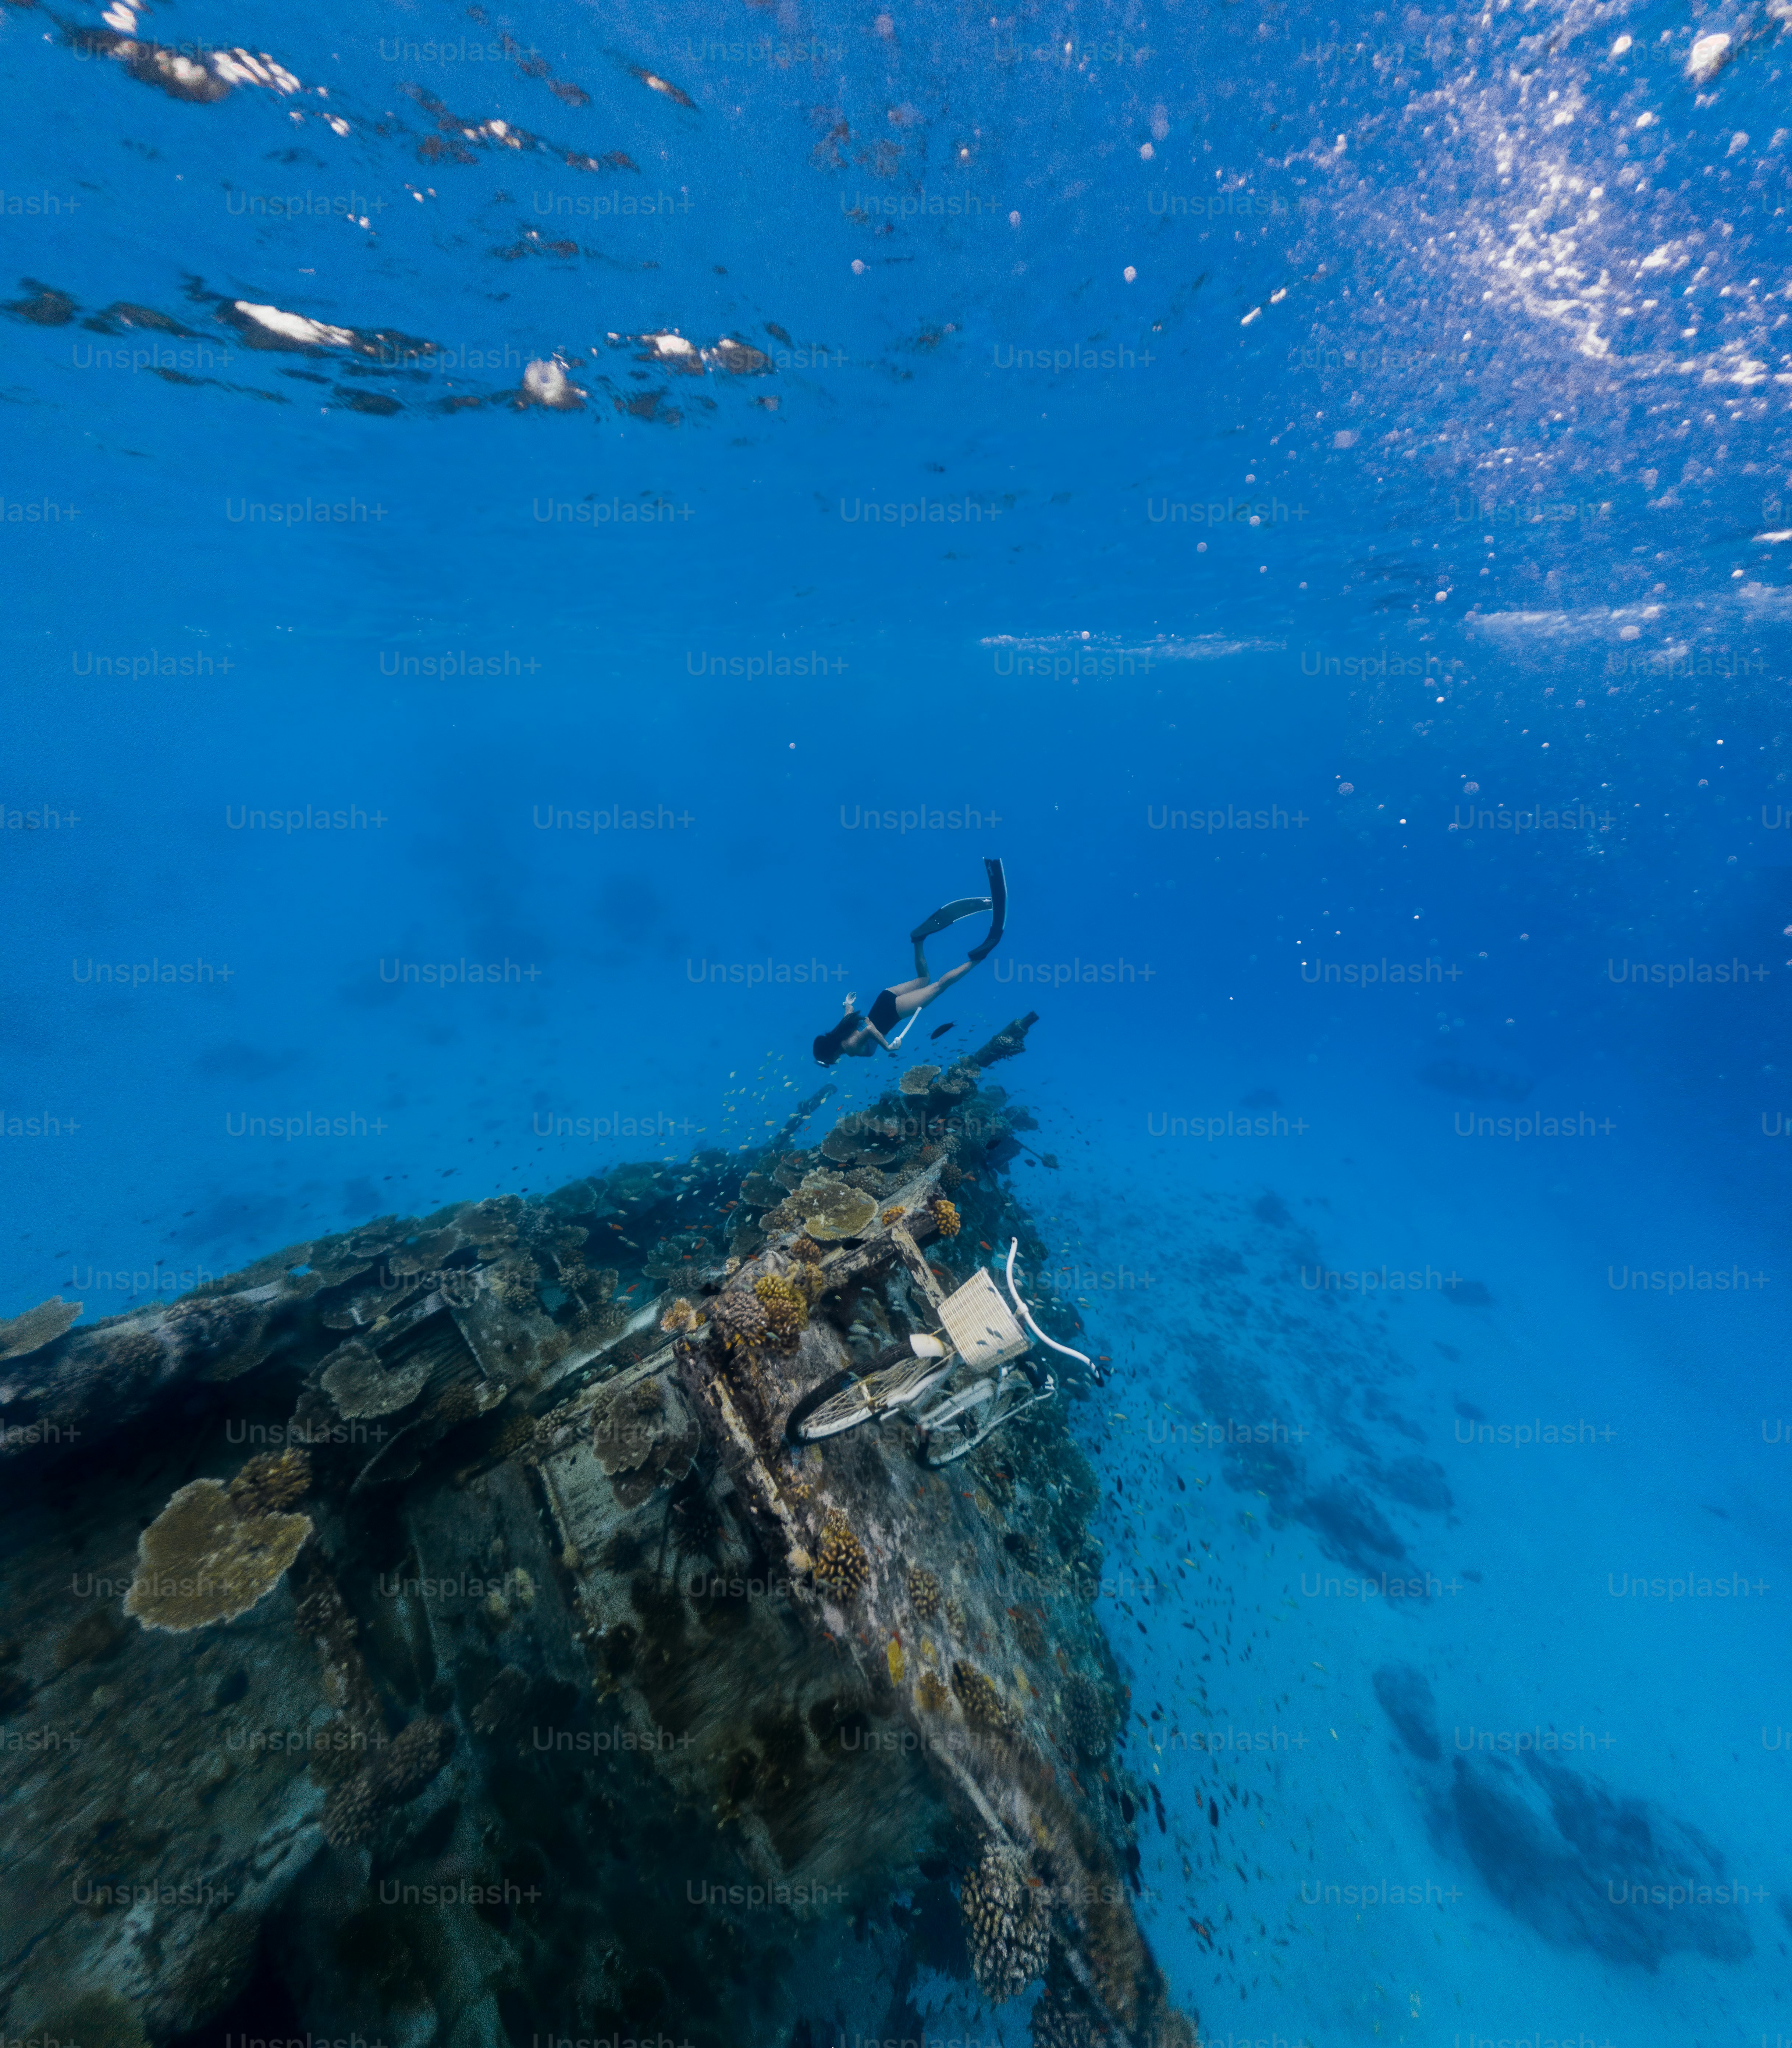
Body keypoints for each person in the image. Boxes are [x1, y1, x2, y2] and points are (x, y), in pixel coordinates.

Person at [813, 858, 1006, 1066]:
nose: (833, 1063)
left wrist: (887, 1047)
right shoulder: (840, 1033)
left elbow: (869, 1030)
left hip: (893, 1012)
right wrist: (847, 1004)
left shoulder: (849, 1048)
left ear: (829, 1055)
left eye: (829, 1062)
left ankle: (978, 959)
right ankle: (918, 939)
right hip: (884, 999)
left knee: (940, 986)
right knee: (925, 978)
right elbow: (850, 1016)